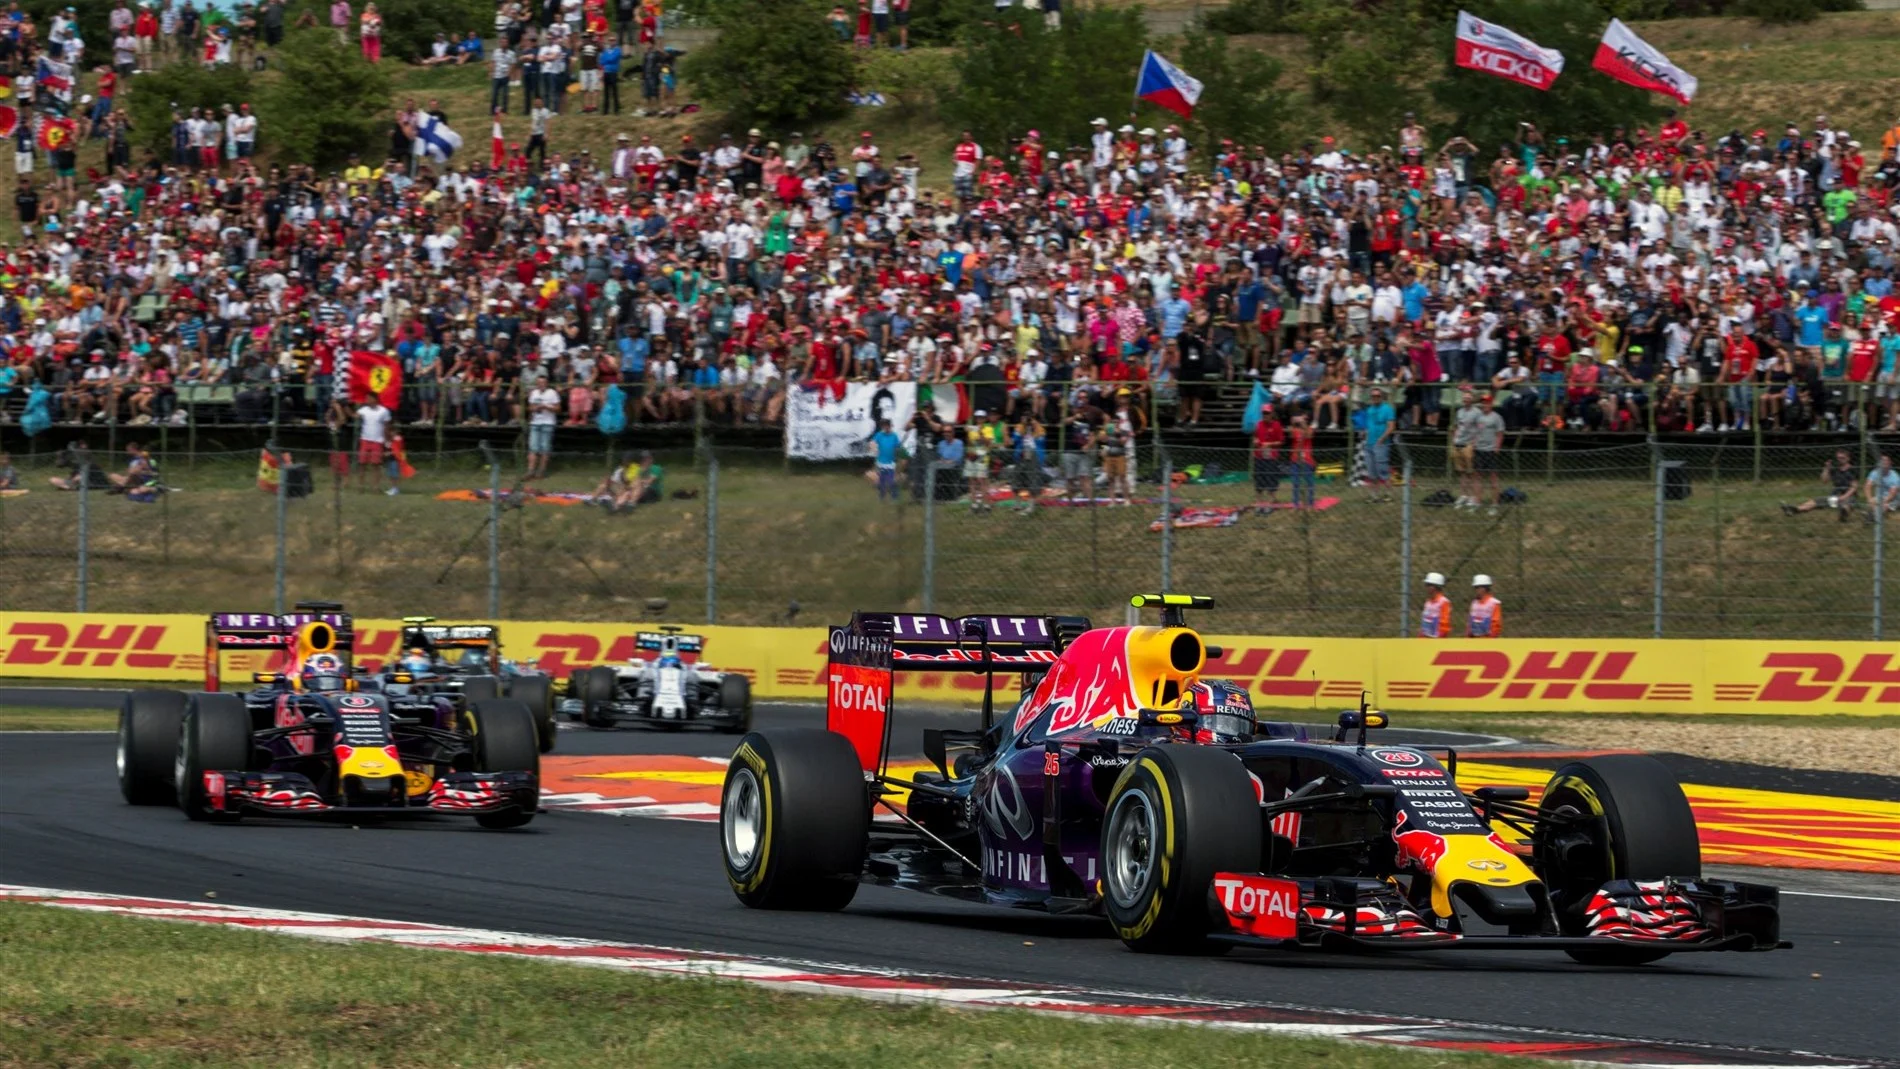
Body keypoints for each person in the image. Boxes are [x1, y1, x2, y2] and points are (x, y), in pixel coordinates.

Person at [1784, 450, 1860, 522]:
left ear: (1848, 458)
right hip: (1835, 496)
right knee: (1816, 501)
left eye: (1842, 458)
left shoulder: (1853, 469)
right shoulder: (1835, 469)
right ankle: (1795, 510)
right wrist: (1826, 468)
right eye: (1838, 458)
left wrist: (1844, 497)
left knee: (1846, 505)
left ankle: (1843, 517)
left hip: (1849, 496)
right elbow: (1824, 480)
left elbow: (1854, 487)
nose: (1840, 460)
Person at [1471, 393, 1506, 513]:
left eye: (1487, 402)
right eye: (1483, 402)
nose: (1485, 404)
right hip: (1479, 450)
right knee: (1477, 477)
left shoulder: (1496, 417)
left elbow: (1500, 434)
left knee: (1493, 478)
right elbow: (1475, 431)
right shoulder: (1478, 417)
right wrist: (1474, 444)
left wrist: (1497, 448)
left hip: (1491, 451)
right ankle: (1477, 502)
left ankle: (1494, 504)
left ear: (1491, 403)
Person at [1361, 386, 1396, 501]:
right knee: (1371, 471)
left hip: (1381, 443)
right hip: (1369, 443)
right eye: (1373, 396)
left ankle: (1389, 493)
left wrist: (1382, 438)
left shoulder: (1387, 409)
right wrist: (1365, 434)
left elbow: (1391, 427)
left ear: (1382, 397)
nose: (1375, 398)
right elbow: (1367, 425)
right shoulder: (1369, 410)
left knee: (1383, 469)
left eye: (1377, 396)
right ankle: (1373, 495)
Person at [355, 393, 394, 494]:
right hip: (365, 439)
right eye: (366, 398)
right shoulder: (363, 410)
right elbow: (354, 416)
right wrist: (345, 407)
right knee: (362, 463)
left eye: (369, 398)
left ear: (375, 399)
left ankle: (375, 486)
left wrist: (387, 441)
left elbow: (387, 426)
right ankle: (360, 486)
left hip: (377, 440)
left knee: (375, 464)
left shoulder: (383, 411)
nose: (367, 400)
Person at [525, 372, 559, 482]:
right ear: (536, 383)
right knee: (532, 448)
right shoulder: (533, 393)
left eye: (543, 382)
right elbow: (529, 408)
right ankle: (530, 471)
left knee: (545, 448)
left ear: (547, 383)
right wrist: (533, 409)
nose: (541, 384)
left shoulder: (552, 393)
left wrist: (546, 407)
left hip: (548, 423)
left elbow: (558, 408)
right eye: (539, 382)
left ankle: (541, 471)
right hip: (535, 422)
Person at [1251, 403, 1283, 504]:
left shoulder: (1277, 425)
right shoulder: (1259, 424)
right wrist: (1255, 441)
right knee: (1259, 476)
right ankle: (1258, 498)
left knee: (1271, 476)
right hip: (1259, 454)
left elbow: (1281, 441)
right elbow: (1255, 437)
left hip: (1271, 455)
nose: (1265, 415)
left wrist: (1270, 444)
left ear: (1272, 413)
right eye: (1264, 413)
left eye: (1267, 413)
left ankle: (1273, 497)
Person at [868, 417, 902, 501]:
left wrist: (898, 458)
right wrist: (873, 448)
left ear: (890, 426)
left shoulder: (894, 436)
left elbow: (897, 447)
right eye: (883, 426)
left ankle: (895, 498)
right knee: (881, 482)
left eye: (886, 425)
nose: (885, 427)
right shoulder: (879, 435)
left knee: (891, 482)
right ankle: (881, 498)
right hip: (881, 462)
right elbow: (872, 443)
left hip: (891, 463)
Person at [1419, 571, 1452, 638]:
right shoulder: (1428, 602)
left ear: (1435, 586)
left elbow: (1444, 625)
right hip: (1426, 637)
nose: (1426, 587)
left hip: (1437, 638)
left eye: (1428, 585)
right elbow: (1424, 621)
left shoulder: (1444, 602)